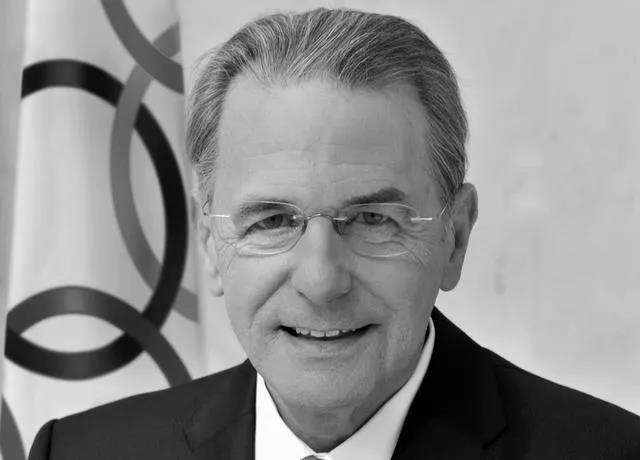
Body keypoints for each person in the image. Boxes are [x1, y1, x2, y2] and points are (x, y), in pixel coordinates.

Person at [29, 8, 640, 460]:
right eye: (272, 220)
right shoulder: (81, 453)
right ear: (211, 245)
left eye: (373, 220)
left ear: (454, 238)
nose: (321, 280)